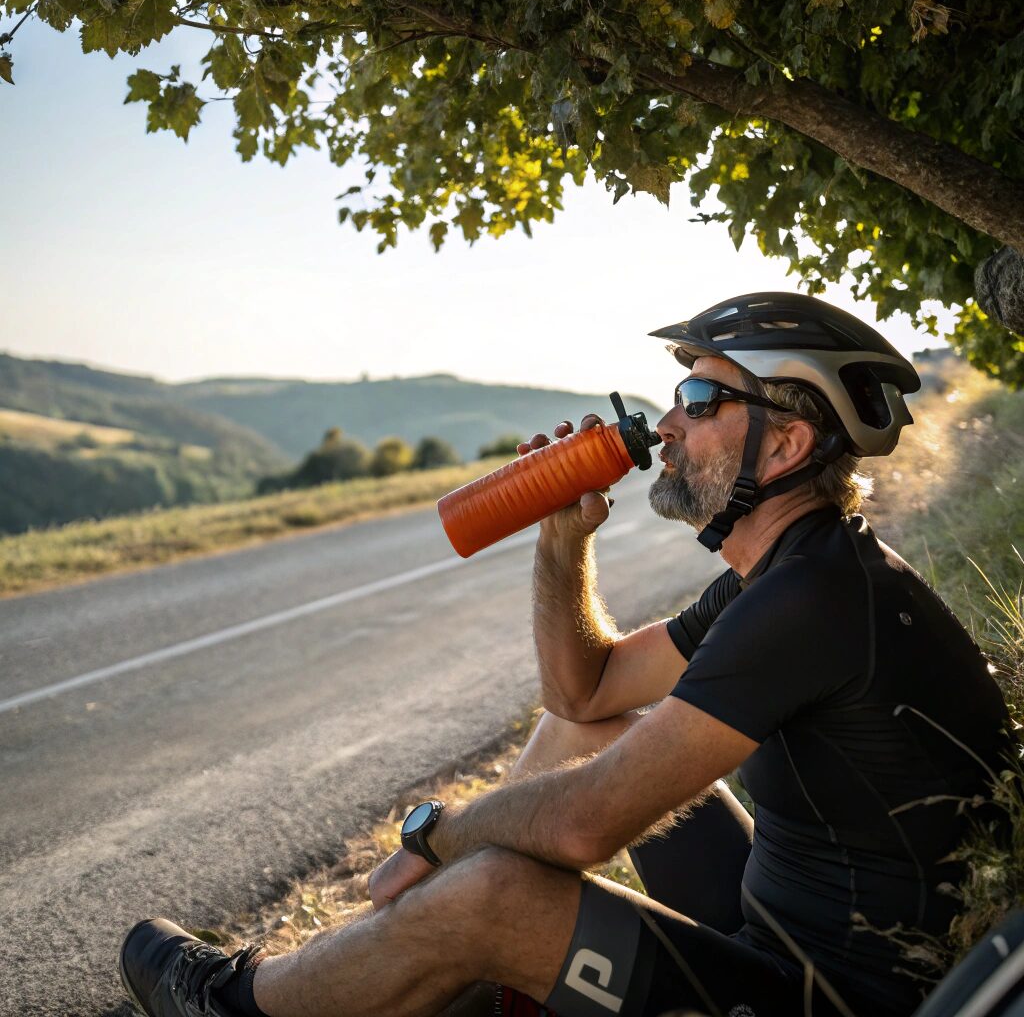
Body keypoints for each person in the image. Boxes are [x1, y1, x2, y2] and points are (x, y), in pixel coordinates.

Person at [119, 292, 1012, 1017]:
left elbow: (585, 826)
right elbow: (584, 696)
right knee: (589, 738)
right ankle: (433, 974)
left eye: (701, 401)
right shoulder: (786, 574)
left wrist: (441, 839)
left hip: (832, 998)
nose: (666, 425)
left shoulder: (811, 599)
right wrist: (563, 538)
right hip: (770, 922)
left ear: (785, 442)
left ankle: (242, 1005)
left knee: (493, 887)